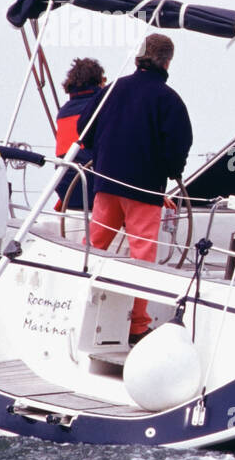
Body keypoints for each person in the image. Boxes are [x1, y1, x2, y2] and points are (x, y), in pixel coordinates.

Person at [81, 34, 194, 345]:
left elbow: (84, 128)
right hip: (144, 189)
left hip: (106, 183)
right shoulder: (168, 99)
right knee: (141, 257)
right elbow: (179, 143)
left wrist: (100, 153)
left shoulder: (112, 88)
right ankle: (137, 325)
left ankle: (76, 304)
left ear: (139, 57)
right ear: (168, 62)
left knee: (93, 245)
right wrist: (171, 173)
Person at [54, 57, 105, 211]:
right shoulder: (100, 107)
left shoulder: (63, 112)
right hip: (95, 190)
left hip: (66, 191)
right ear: (98, 81)